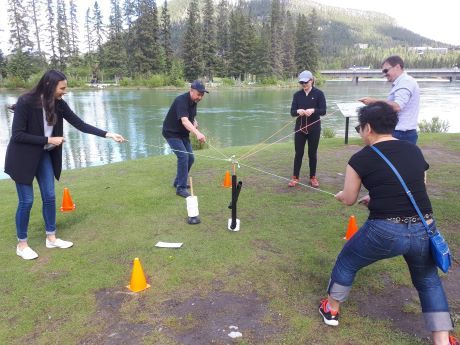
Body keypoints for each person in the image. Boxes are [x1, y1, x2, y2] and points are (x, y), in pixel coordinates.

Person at [318, 102, 458, 345]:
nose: (361, 133)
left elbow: (348, 199)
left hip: (385, 230)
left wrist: (342, 196)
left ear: (368, 128)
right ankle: (443, 340)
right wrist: (376, 197)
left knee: (347, 260)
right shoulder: (413, 150)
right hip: (425, 227)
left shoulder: (360, 158)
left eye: (360, 128)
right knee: (428, 280)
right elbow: (418, 186)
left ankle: (331, 309)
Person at [4, 70, 126, 260]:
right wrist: (50, 139)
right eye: (62, 88)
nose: (64, 91)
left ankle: (51, 238)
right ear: (49, 86)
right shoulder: (26, 102)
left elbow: (80, 124)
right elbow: (18, 135)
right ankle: (22, 244)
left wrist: (109, 134)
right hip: (22, 158)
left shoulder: (59, 104)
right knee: (26, 201)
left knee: (50, 196)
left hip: (43, 155)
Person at [359, 55, 420, 144]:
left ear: (397, 67)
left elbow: (397, 106)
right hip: (402, 133)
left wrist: (373, 102)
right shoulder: (403, 82)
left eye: (386, 70)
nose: (384, 74)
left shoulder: (405, 82)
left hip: (401, 133)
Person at [162, 80, 207, 198]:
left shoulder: (194, 101)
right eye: (199, 94)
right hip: (171, 133)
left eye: (202, 94)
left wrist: (194, 122)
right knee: (183, 157)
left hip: (182, 134)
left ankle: (178, 181)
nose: (200, 97)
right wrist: (197, 133)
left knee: (190, 158)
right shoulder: (181, 100)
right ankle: (180, 188)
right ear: (191, 91)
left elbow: (190, 118)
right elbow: (184, 120)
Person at [288, 70, 327, 188]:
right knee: (298, 153)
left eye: (306, 82)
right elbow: (292, 112)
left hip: (314, 129)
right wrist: (298, 111)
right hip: (300, 129)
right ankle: (295, 177)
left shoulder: (319, 94)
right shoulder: (297, 95)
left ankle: (313, 177)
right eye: (301, 83)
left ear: (312, 80)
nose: (304, 85)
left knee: (312, 153)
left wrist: (313, 110)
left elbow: (323, 111)